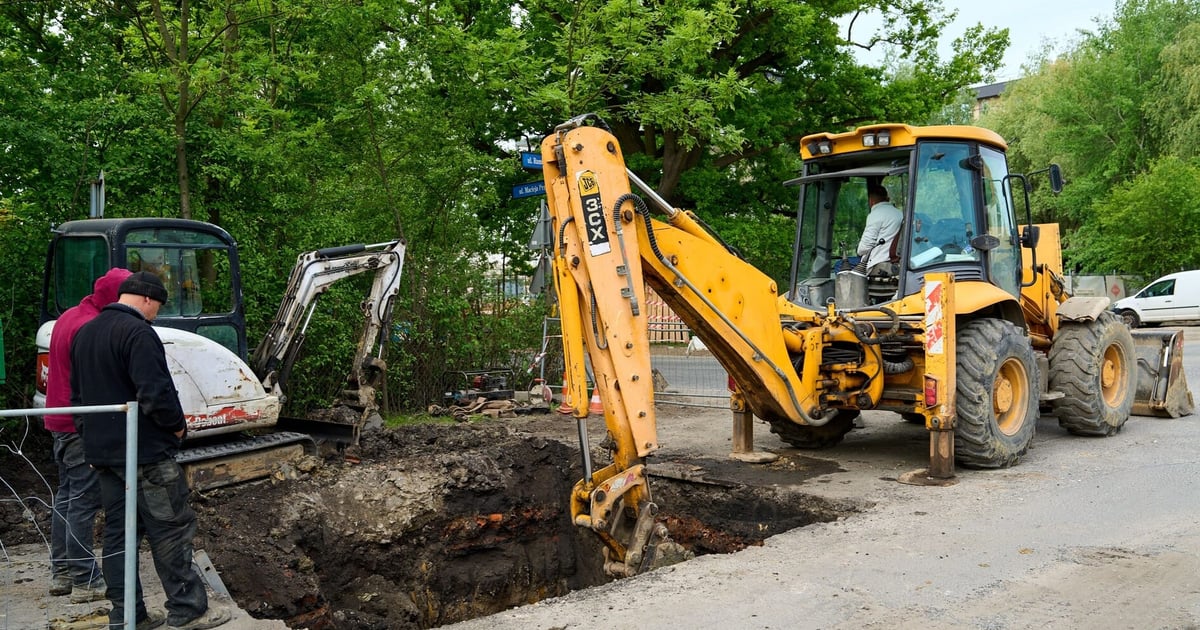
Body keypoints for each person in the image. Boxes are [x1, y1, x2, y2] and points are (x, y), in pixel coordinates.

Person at [70, 271, 230, 630]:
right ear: (145, 299)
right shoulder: (138, 332)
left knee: (118, 534)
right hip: (146, 456)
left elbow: (78, 400)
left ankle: (128, 616)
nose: (157, 312)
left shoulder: (86, 333)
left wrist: (92, 442)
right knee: (170, 528)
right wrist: (177, 427)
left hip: (106, 457)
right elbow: (156, 392)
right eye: (157, 305)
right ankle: (187, 610)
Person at [44, 267, 133, 602]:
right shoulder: (90, 326)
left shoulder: (69, 316)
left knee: (66, 497)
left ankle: (62, 572)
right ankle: (84, 579)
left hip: (59, 419)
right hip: (80, 424)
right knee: (82, 501)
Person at [856, 182, 904, 277]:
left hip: (877, 263)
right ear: (887, 198)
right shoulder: (900, 213)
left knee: (839, 265)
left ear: (871, 201)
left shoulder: (875, 215)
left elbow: (864, 248)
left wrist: (858, 250)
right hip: (894, 260)